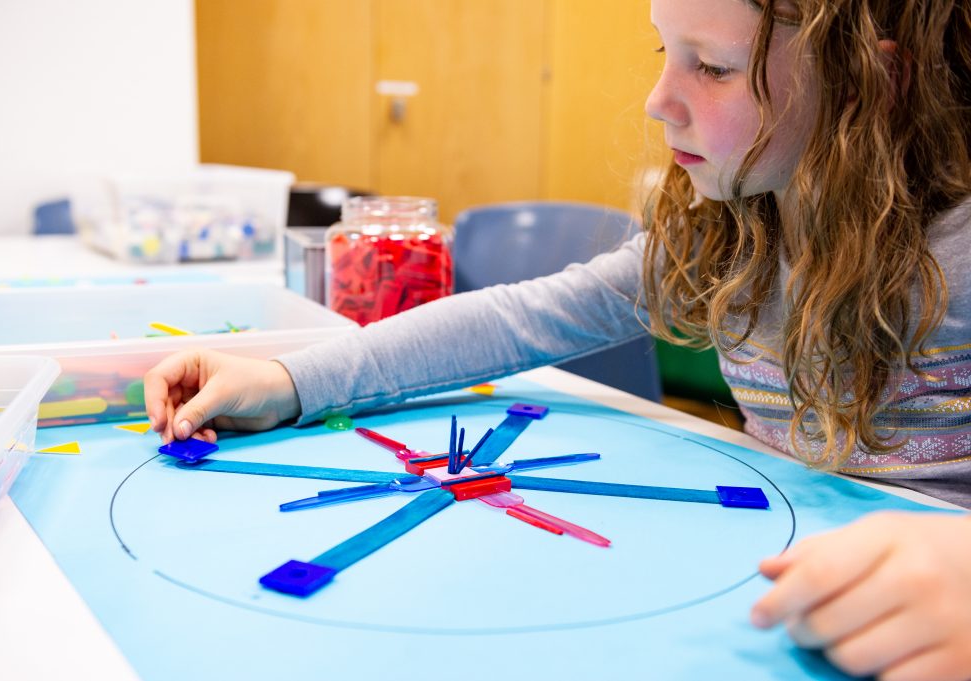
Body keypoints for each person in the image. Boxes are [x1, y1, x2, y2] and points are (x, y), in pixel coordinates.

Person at [145, 0, 971, 678]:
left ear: (869, 83)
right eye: (666, 53)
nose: (657, 100)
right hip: (769, 599)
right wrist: (291, 380)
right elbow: (516, 317)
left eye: (713, 67)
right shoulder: (725, 237)